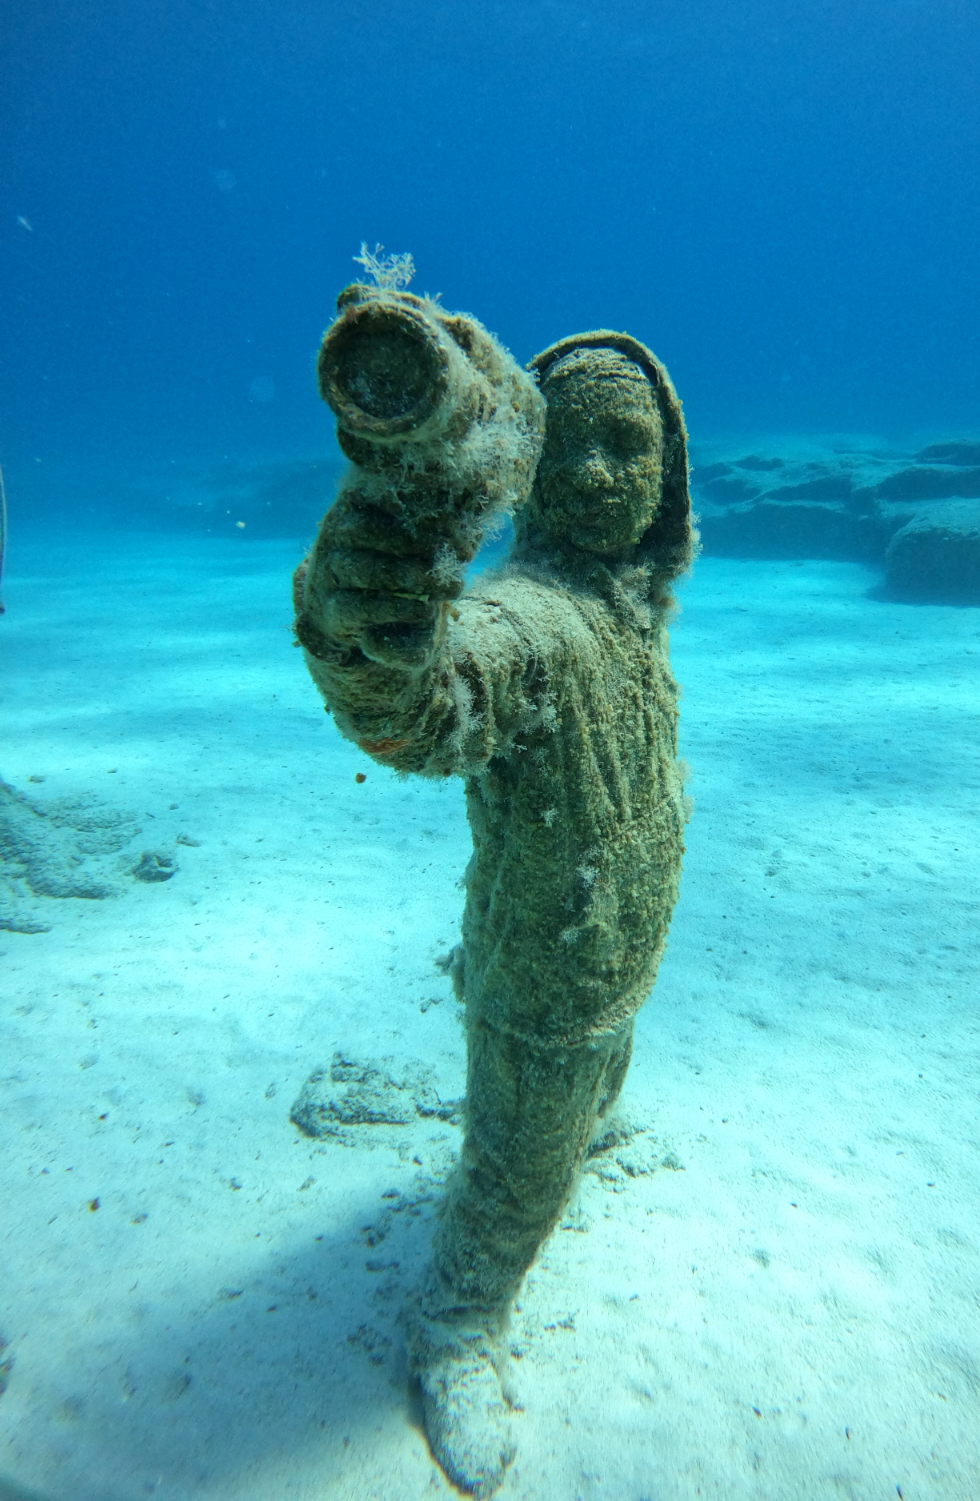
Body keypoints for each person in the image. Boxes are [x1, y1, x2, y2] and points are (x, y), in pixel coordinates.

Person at [293, 284, 694, 1496]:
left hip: (615, 961)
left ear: (673, 469)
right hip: (541, 986)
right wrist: (365, 627)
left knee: (595, 1085)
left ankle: (580, 1129)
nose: (606, 472)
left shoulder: (634, 609)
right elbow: (436, 699)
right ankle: (458, 1319)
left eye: (635, 446)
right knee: (513, 1179)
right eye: (572, 445)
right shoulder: (540, 619)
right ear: (525, 463)